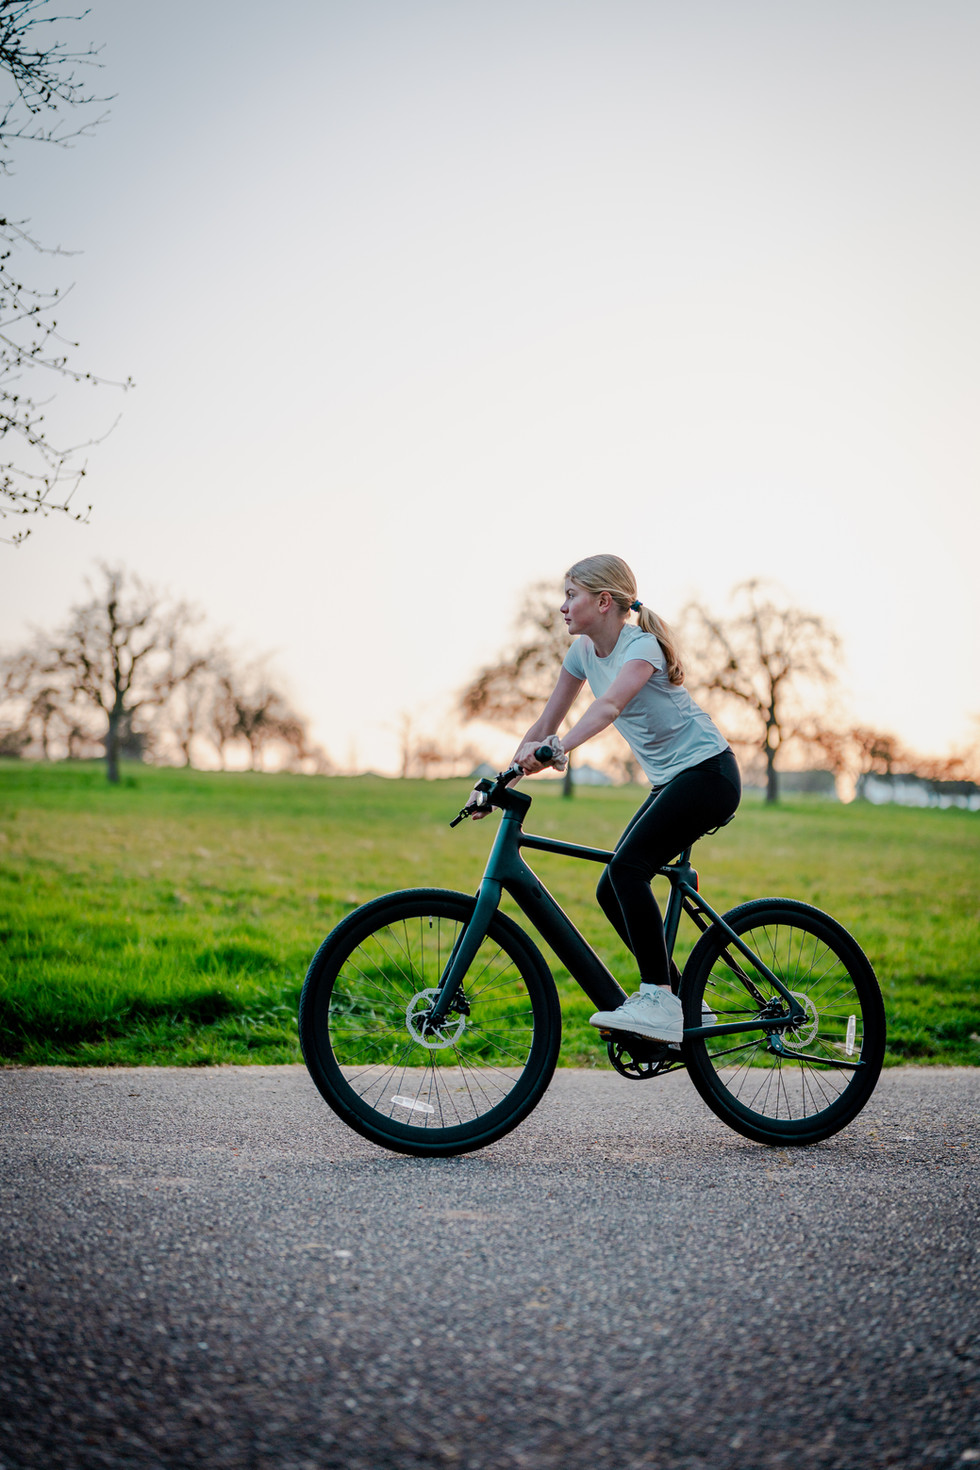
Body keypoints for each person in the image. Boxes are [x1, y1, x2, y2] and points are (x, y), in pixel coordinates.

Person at [481, 553, 741, 1046]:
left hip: (709, 774)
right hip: (673, 781)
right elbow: (545, 723)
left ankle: (659, 999)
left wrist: (560, 748)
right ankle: (685, 1004)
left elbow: (609, 706)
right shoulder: (582, 652)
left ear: (603, 602)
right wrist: (501, 781)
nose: (562, 606)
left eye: (570, 595)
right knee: (610, 887)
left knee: (627, 871)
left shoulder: (641, 647)